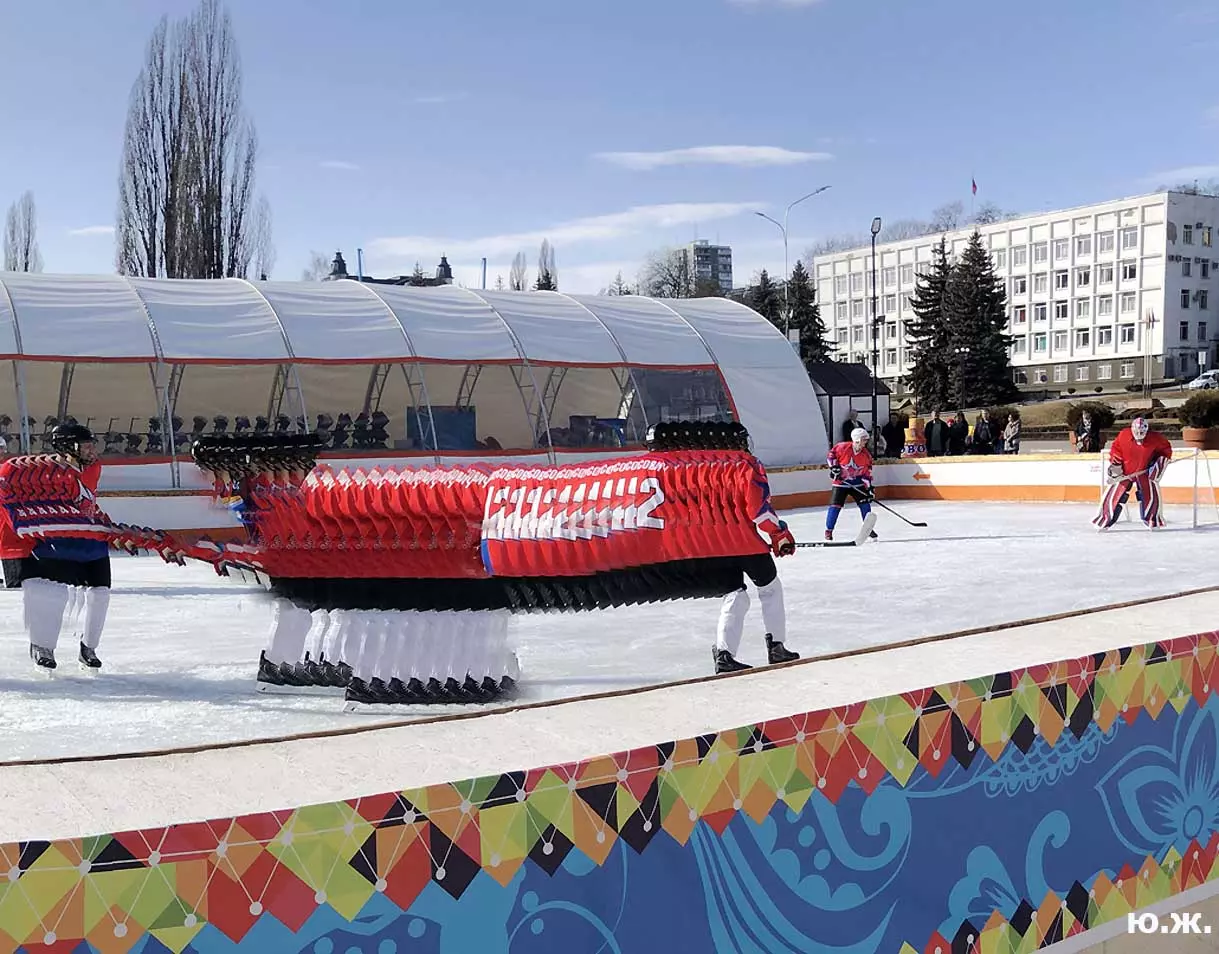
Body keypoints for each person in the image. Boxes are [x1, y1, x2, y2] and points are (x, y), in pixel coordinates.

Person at [0, 424, 112, 670]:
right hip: (56, 539)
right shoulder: (40, 472)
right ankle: (43, 646)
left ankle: (89, 648)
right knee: (51, 592)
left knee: (101, 593)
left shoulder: (93, 468)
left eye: (92, 445)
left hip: (88, 538)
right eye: (86, 446)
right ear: (67, 447)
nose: (92, 451)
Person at [713, 442, 800, 675]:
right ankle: (776, 646)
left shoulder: (703, 465)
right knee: (770, 589)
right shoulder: (746, 465)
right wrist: (779, 533)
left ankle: (724, 654)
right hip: (745, 542)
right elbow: (758, 510)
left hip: (714, 544)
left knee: (734, 595)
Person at [1093, 417, 1172, 530]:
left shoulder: (1155, 438)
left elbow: (1165, 450)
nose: (1139, 435)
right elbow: (1116, 448)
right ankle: (1104, 519)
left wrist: (1158, 463)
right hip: (1125, 472)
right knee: (1114, 495)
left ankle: (1152, 520)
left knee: (1149, 495)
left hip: (1144, 472)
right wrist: (1116, 464)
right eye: (1137, 432)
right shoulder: (1124, 435)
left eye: (1142, 432)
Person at [825, 427, 877, 542]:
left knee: (865, 504)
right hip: (841, 483)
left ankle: (868, 529)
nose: (865, 442)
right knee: (835, 506)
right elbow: (831, 456)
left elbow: (867, 473)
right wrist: (834, 468)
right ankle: (829, 530)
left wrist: (869, 488)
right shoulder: (842, 447)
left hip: (857, 483)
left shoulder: (866, 455)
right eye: (864, 440)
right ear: (857, 440)